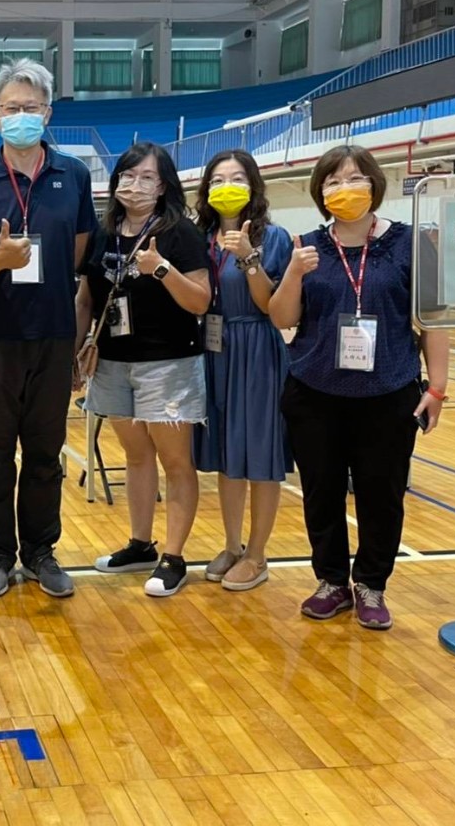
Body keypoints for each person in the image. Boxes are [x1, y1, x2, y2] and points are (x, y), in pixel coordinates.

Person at [270, 144, 449, 630]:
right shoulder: (305, 245)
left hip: (388, 393)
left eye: (354, 178)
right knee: (321, 494)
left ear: (374, 184)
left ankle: (371, 584)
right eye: (332, 181)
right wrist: (293, 271)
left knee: (381, 496)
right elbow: (282, 318)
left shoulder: (411, 243)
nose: (344, 188)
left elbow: (434, 319)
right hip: (314, 392)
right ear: (319, 191)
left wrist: (437, 387)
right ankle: (331, 582)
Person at [0, 59, 97, 600]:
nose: (21, 115)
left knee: (45, 452)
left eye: (31, 107)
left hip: (53, 334)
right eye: (11, 107)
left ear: (48, 113)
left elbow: (78, 252)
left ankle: (40, 551)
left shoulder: (74, 176)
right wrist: (0, 260)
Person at [74, 143, 211, 598]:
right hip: (113, 361)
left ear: (164, 185)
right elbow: (87, 299)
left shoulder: (180, 233)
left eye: (147, 178)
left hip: (168, 362)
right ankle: (140, 544)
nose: (135, 185)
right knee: (135, 456)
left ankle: (174, 557)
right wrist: (77, 350)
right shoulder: (103, 232)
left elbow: (200, 301)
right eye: (128, 176)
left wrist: (162, 269)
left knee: (175, 461)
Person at [191, 150, 293, 591]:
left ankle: (257, 554)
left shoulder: (275, 238)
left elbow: (272, 306)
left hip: (257, 348)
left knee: (260, 454)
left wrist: (249, 257)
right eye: (217, 180)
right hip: (214, 349)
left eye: (236, 178)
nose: (226, 186)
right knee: (227, 453)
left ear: (253, 186)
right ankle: (232, 545)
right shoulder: (201, 239)